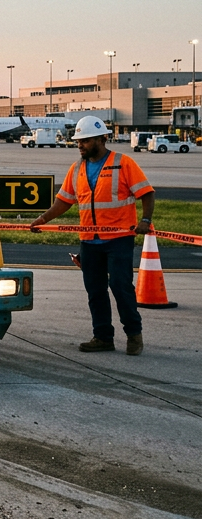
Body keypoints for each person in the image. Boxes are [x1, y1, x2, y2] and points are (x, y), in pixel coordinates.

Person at [30, 116, 155, 355]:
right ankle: (103, 337)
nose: (80, 145)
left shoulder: (123, 163)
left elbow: (147, 193)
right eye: (78, 141)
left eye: (85, 141)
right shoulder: (77, 168)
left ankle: (133, 334)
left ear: (101, 138)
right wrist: (43, 219)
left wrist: (145, 220)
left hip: (119, 239)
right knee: (95, 291)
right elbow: (63, 201)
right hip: (89, 240)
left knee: (120, 286)